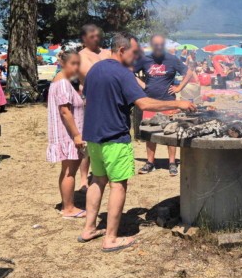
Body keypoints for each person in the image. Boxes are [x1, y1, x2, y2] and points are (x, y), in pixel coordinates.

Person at [79, 33, 195, 251]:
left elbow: (87, 94)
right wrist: (178, 104)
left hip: (93, 135)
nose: (136, 58)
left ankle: (89, 229)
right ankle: (111, 238)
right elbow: (143, 104)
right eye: (133, 53)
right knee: (118, 185)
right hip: (114, 136)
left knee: (97, 180)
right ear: (122, 50)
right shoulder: (123, 73)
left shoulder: (95, 69)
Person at [136, 34, 196, 176]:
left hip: (169, 101)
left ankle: (172, 162)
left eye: (160, 45)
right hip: (150, 102)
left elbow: (189, 72)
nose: (158, 47)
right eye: (155, 45)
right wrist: (142, 85)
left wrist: (179, 88)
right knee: (149, 133)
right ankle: (150, 162)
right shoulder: (145, 59)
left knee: (171, 132)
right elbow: (128, 72)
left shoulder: (172, 59)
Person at [46, 49, 86, 218]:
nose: (76, 67)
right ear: (63, 63)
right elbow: (65, 111)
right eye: (73, 64)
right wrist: (77, 135)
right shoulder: (62, 83)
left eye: (78, 64)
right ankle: (68, 208)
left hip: (66, 134)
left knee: (67, 170)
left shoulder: (61, 82)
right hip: (68, 135)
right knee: (70, 171)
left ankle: (67, 204)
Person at [77, 24, 110, 191]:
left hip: (109, 103)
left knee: (108, 140)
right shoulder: (80, 56)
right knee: (88, 144)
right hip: (89, 103)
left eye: (98, 35)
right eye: (92, 36)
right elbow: (93, 75)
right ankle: (83, 179)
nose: (96, 39)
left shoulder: (107, 53)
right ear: (84, 38)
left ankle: (105, 172)